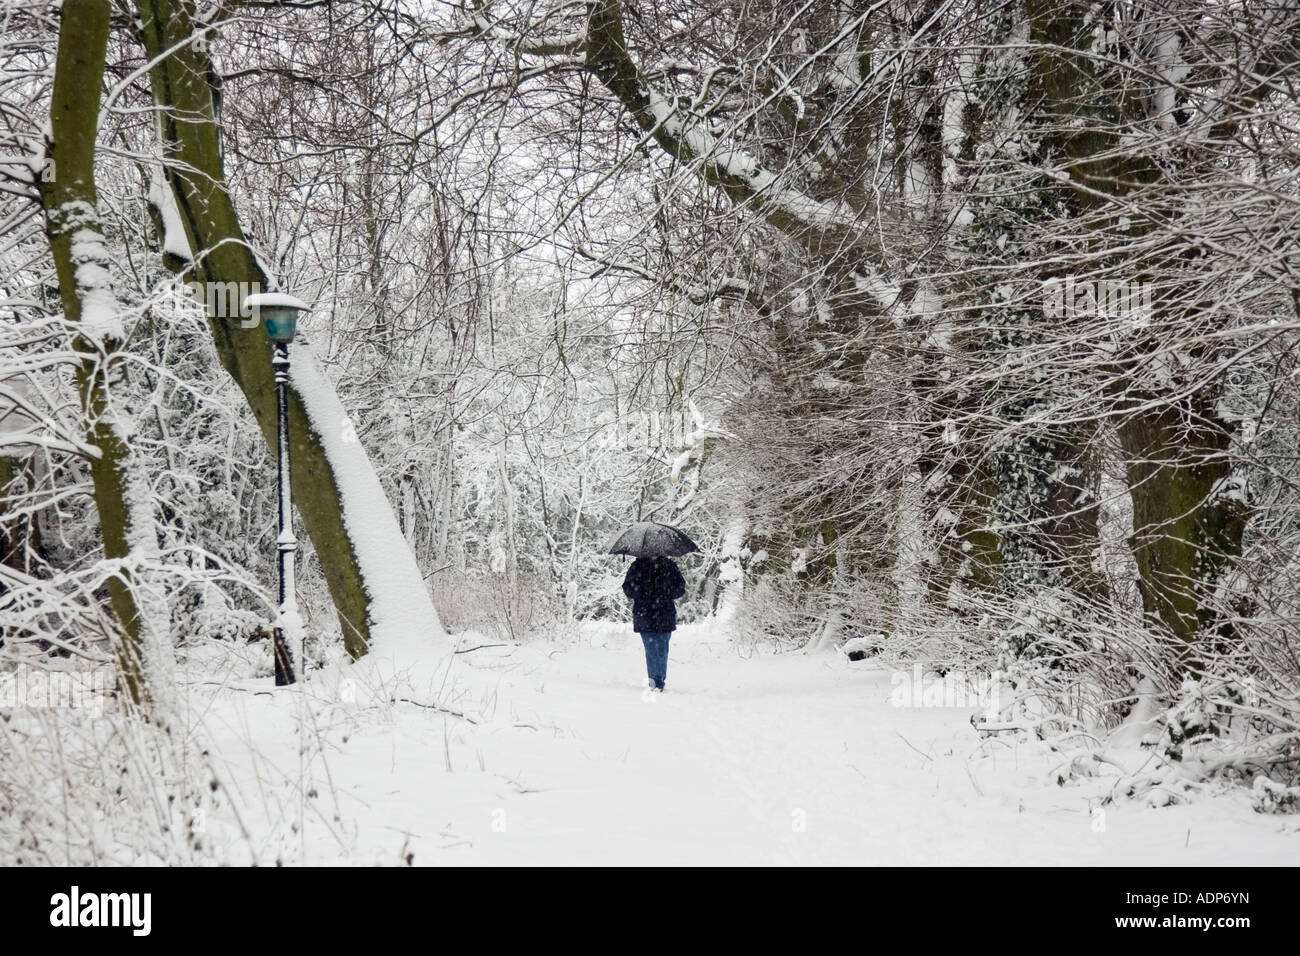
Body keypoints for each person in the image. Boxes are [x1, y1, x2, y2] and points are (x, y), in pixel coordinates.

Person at [621, 555, 686, 692]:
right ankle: (654, 682)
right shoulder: (636, 566)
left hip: (665, 613)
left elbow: (680, 587)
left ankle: (660, 680)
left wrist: (666, 592)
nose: (653, 553)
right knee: (651, 649)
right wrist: (643, 592)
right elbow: (628, 588)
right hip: (644, 614)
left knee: (662, 649)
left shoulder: (669, 566)